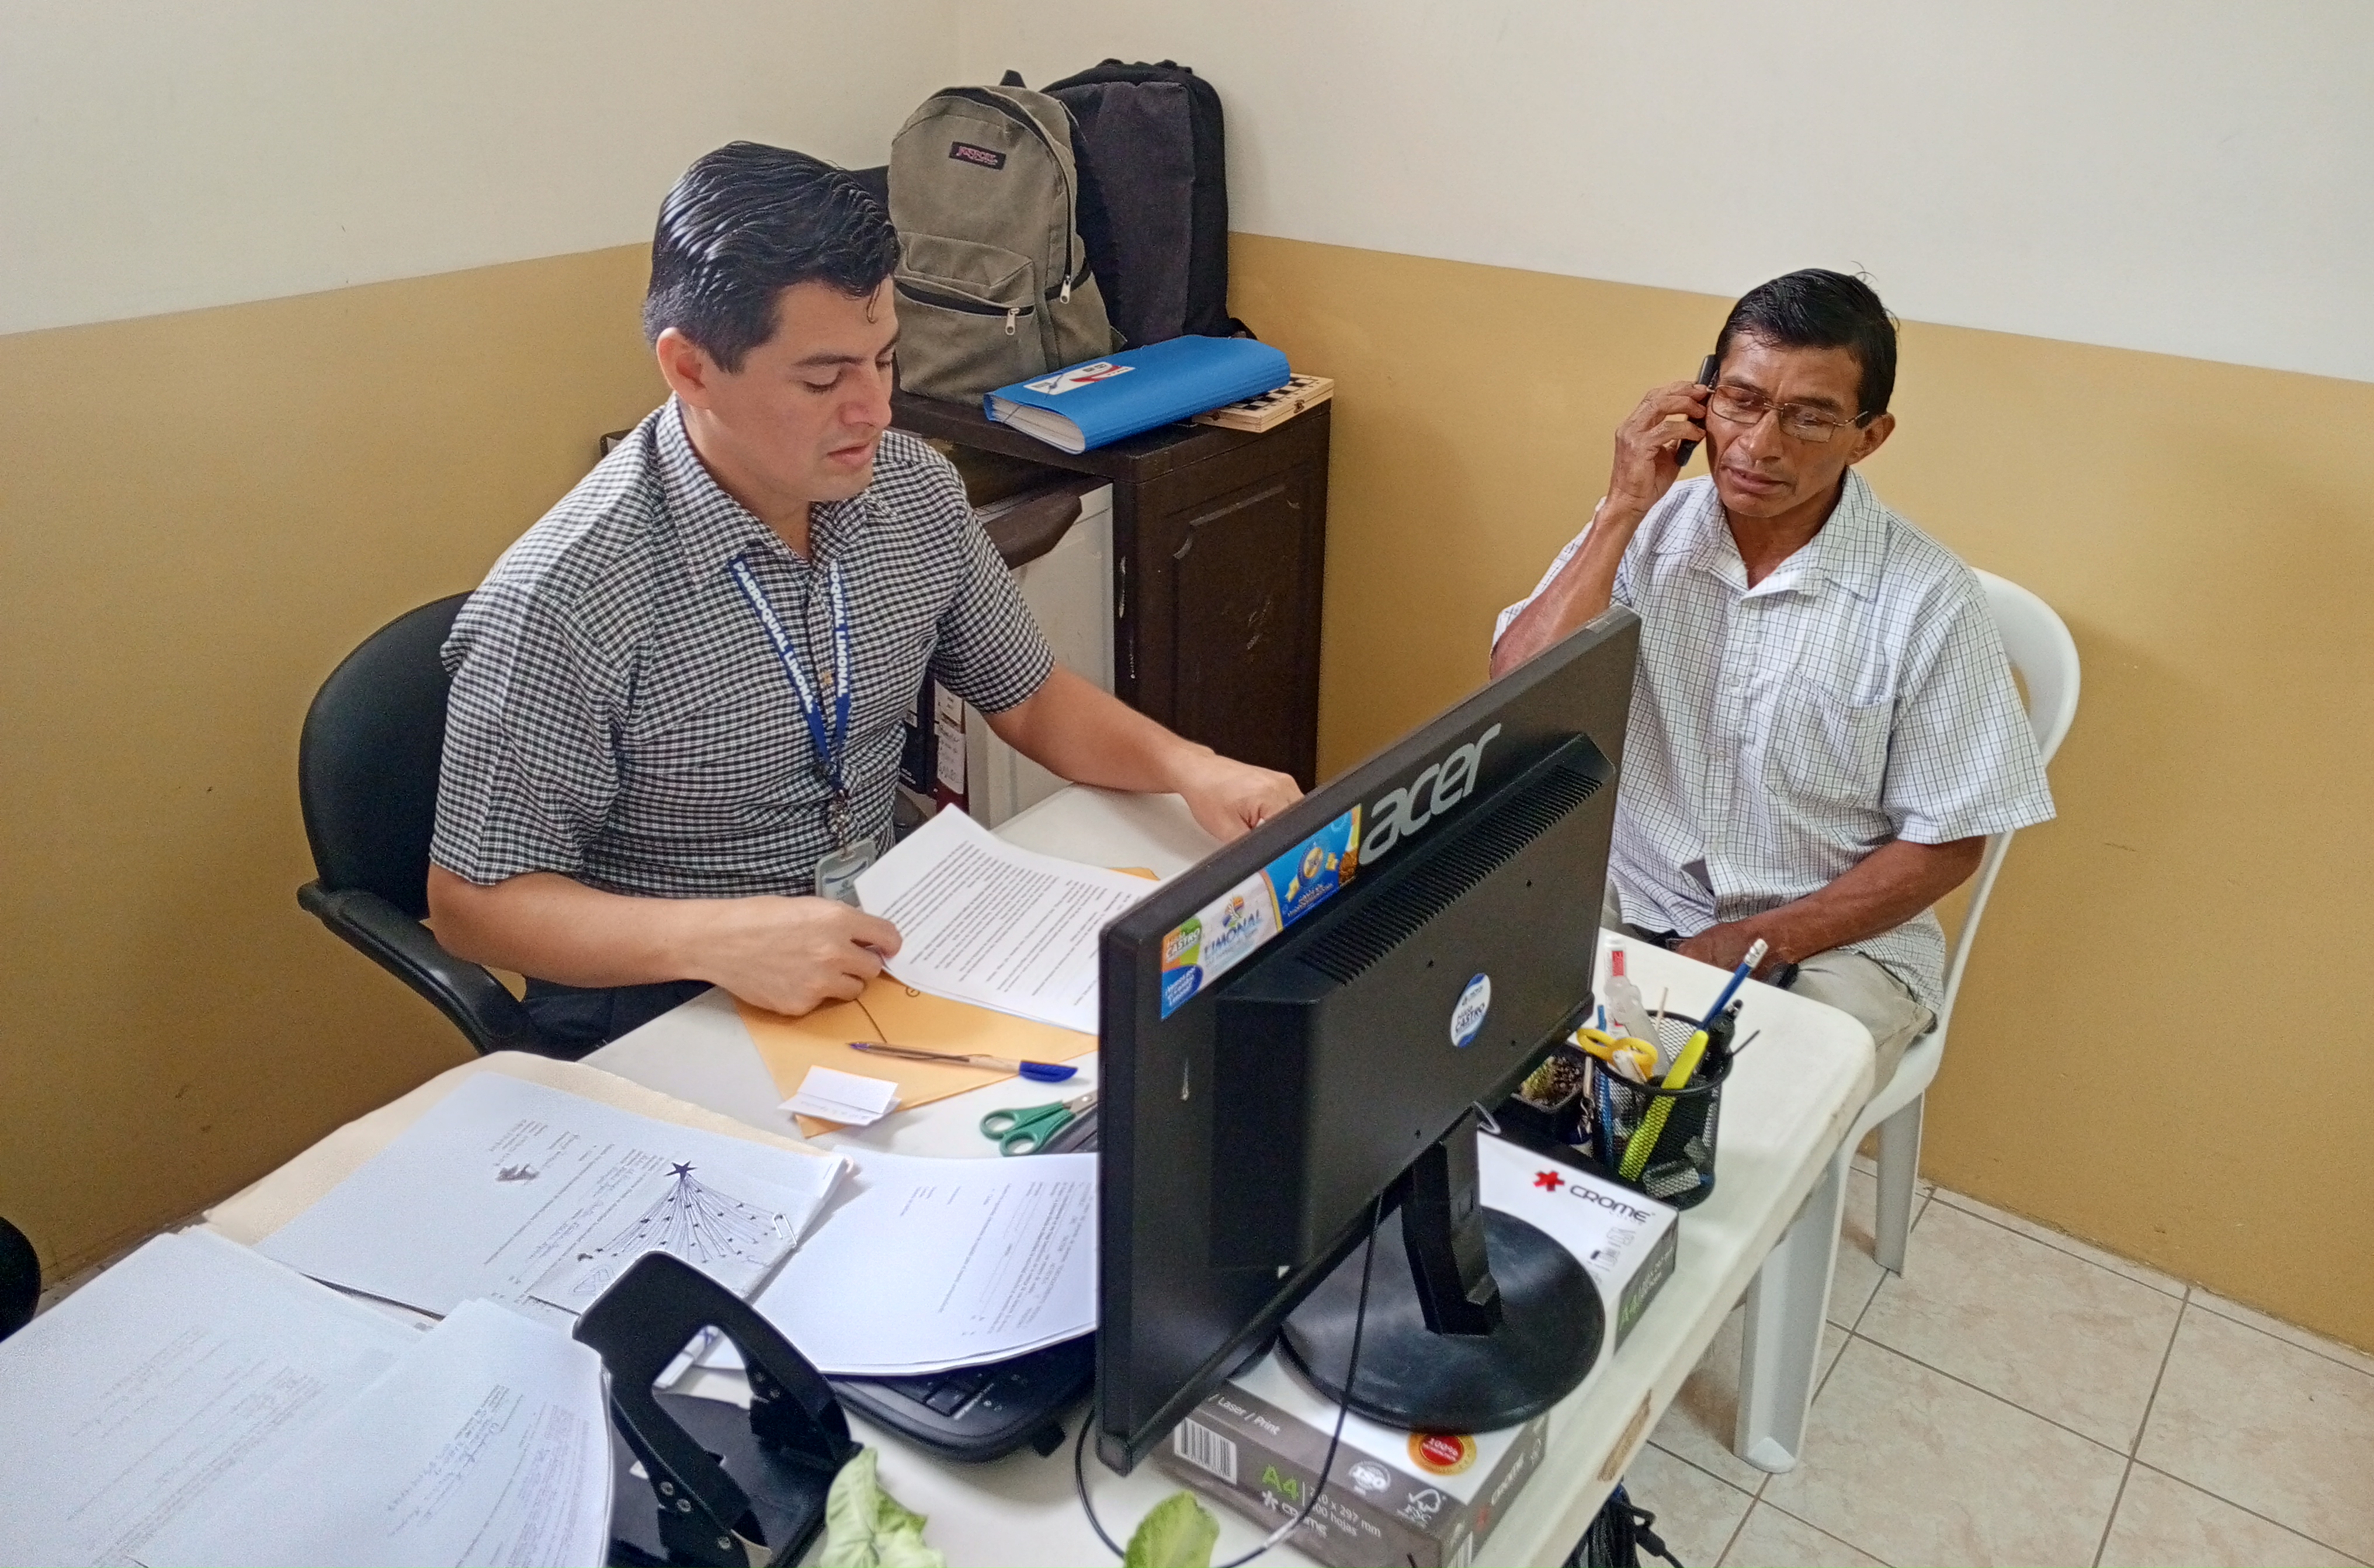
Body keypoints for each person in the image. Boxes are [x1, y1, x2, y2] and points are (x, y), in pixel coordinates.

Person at [427, 142, 1300, 1052]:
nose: (875, 411)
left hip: (881, 939)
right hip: (666, 1004)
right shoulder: (565, 596)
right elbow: (472, 906)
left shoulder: (910, 488)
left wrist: (1194, 769)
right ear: (690, 369)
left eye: (883, 360)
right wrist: (716, 941)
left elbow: (1031, 697)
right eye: (822, 379)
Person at [1490, 270, 2052, 1084]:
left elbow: (1948, 841)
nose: (1758, 445)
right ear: (1701, 399)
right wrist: (1620, 509)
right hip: (1631, 894)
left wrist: (1758, 940)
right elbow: (1517, 688)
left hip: (1834, 940)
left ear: (1869, 436)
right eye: (1741, 401)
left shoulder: (1928, 597)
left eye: (1809, 417)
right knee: (1479, 1043)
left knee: (1720, 1112)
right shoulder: (1648, 531)